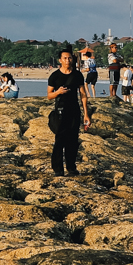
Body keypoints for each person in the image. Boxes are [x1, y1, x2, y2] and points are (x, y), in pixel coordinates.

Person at [46, 47, 93, 176]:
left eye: (70, 58)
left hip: (74, 110)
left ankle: (71, 167)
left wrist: (86, 114)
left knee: (73, 140)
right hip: (61, 110)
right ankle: (58, 169)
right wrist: (58, 92)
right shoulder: (55, 76)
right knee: (60, 140)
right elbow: (49, 95)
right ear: (60, 60)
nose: (68, 60)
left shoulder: (77, 75)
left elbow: (83, 94)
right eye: (65, 58)